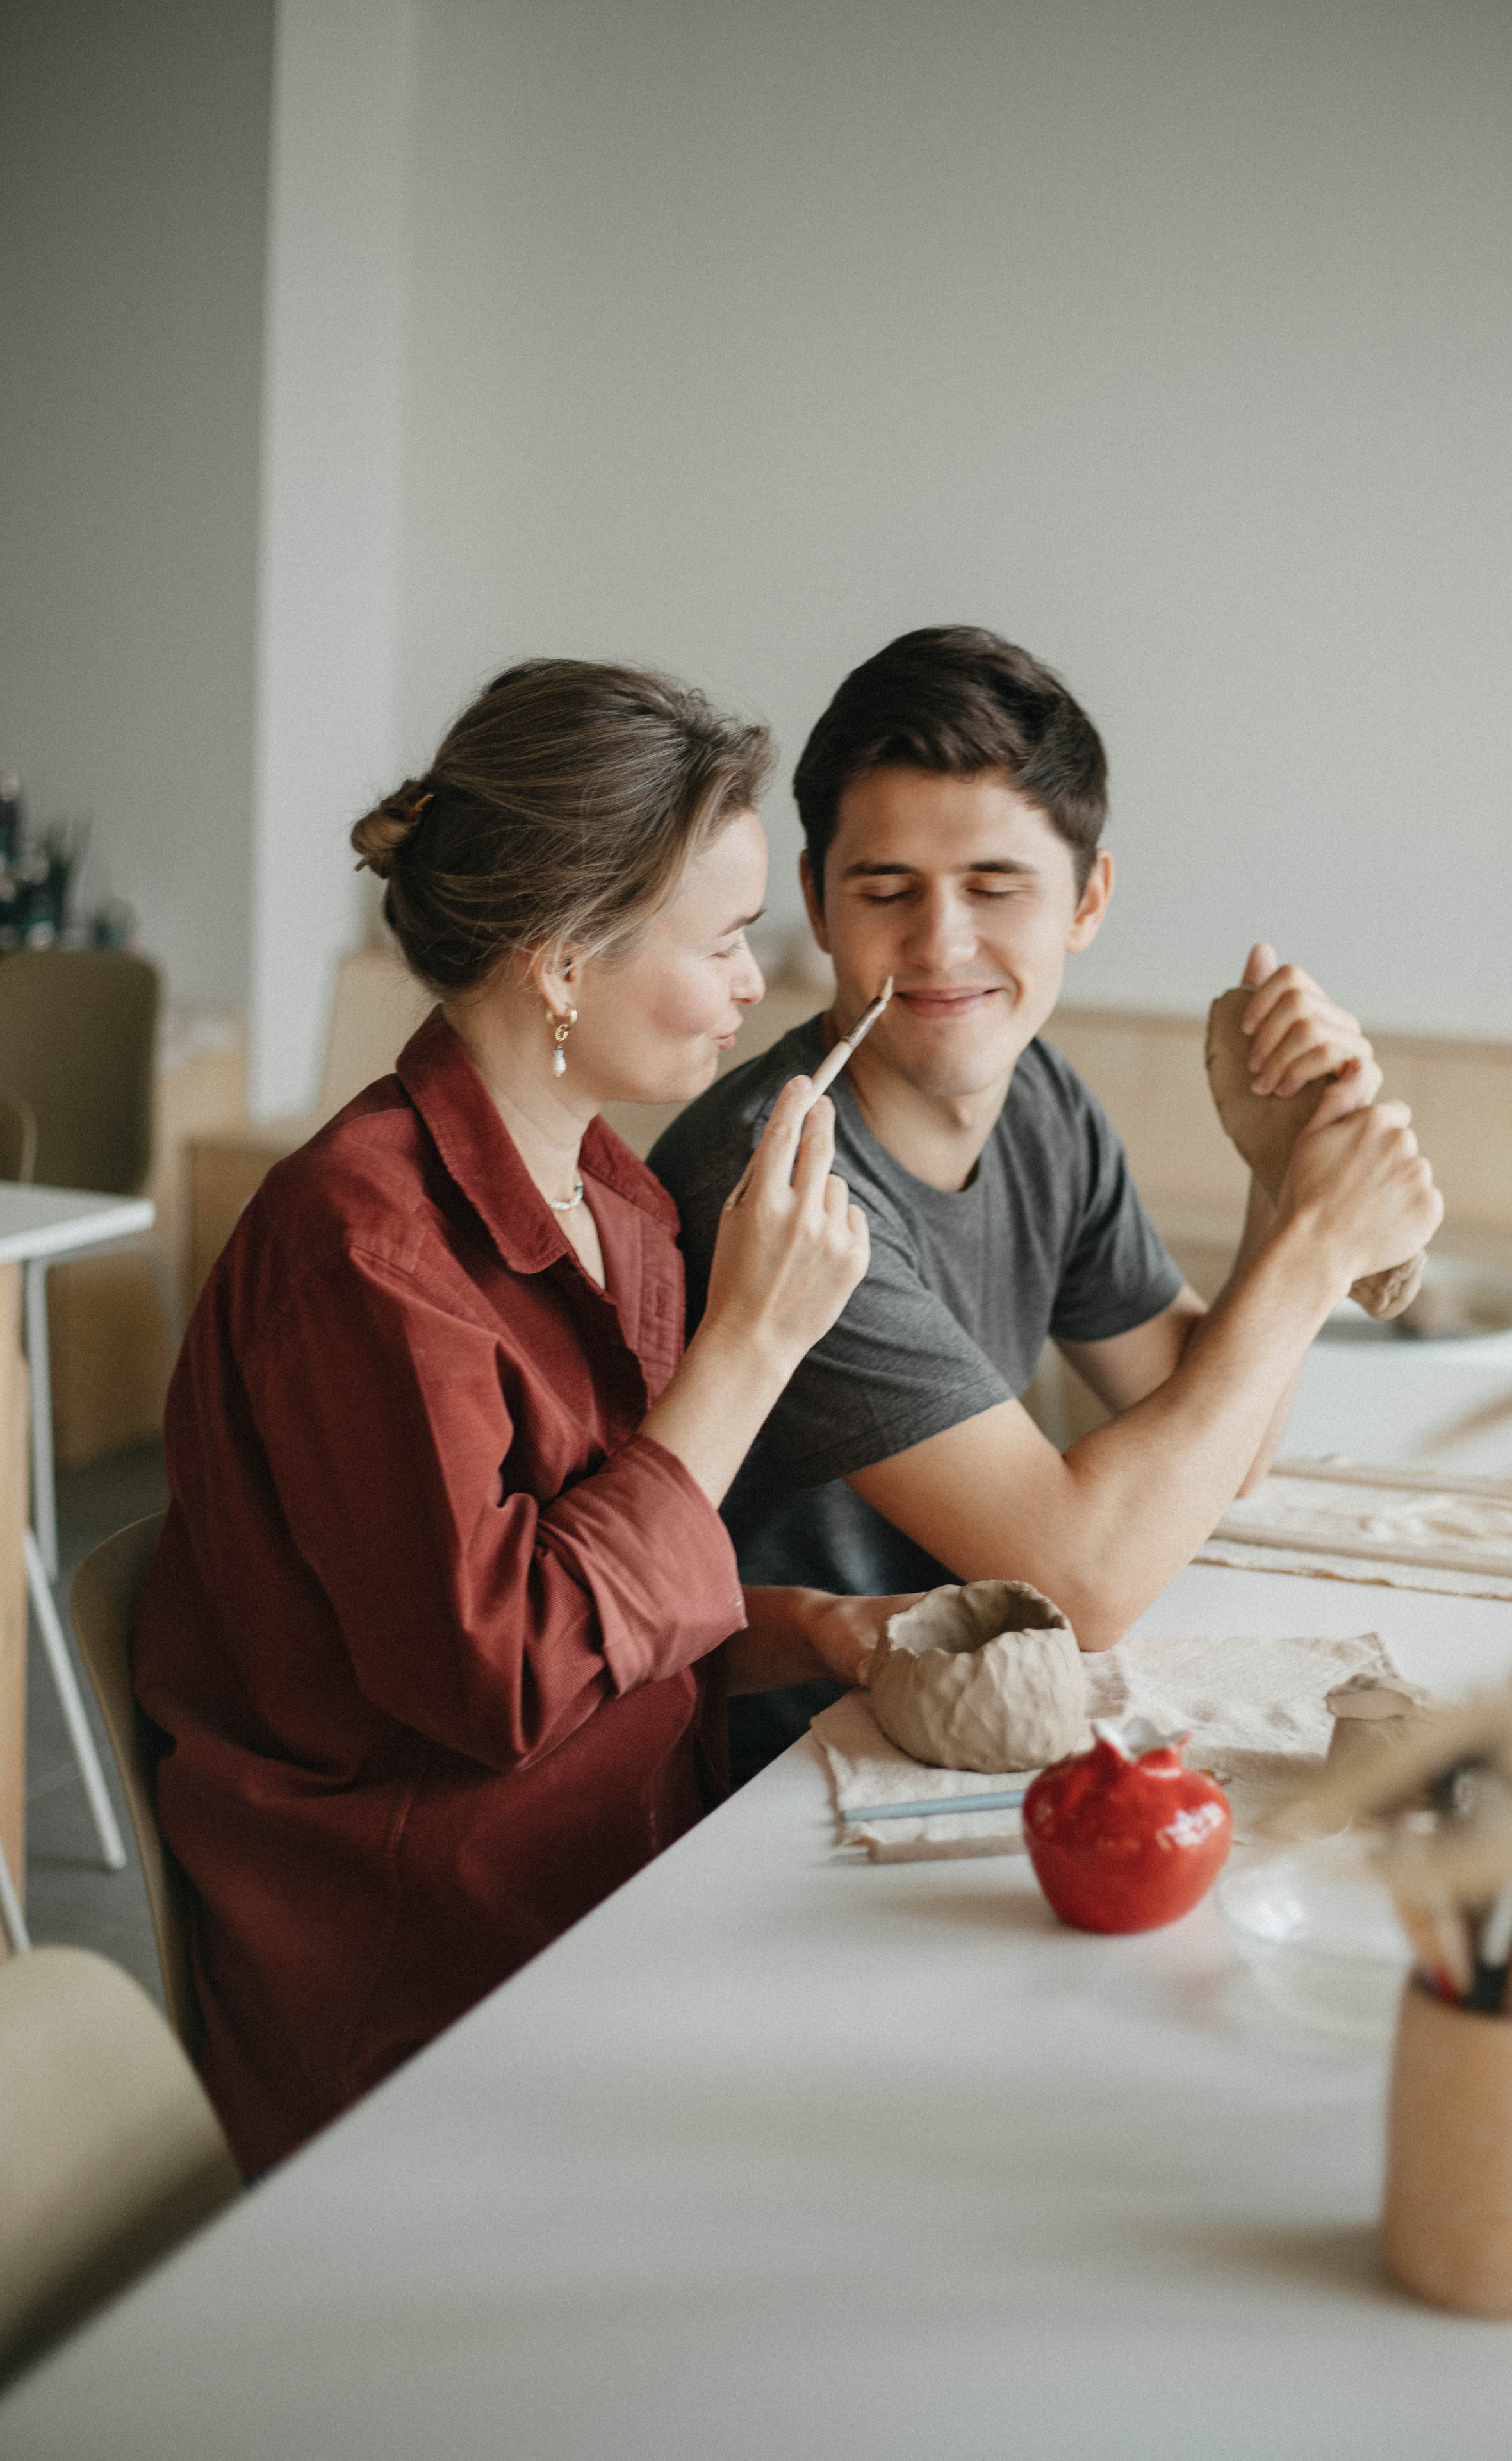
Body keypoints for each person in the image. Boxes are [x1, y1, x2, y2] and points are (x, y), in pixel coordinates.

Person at [134, 659, 915, 2175]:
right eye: (723, 940)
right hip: (431, 1975)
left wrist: (818, 1630)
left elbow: (614, 1595)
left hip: (626, 1882)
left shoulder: (618, 1202)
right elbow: (502, 1676)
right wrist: (750, 1345)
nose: (754, 986)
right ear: (561, 963)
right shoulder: (358, 1248)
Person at [648, 627, 1443, 1782]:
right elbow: (1088, 1583)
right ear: (817, 904)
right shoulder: (781, 1177)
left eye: (994, 887)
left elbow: (1220, 1450)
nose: (940, 944)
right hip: (771, 1781)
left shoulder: (1041, 1102)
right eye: (886, 889)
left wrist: (1285, 1165)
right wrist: (1316, 1247)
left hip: (945, 1743)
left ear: (1088, 899)